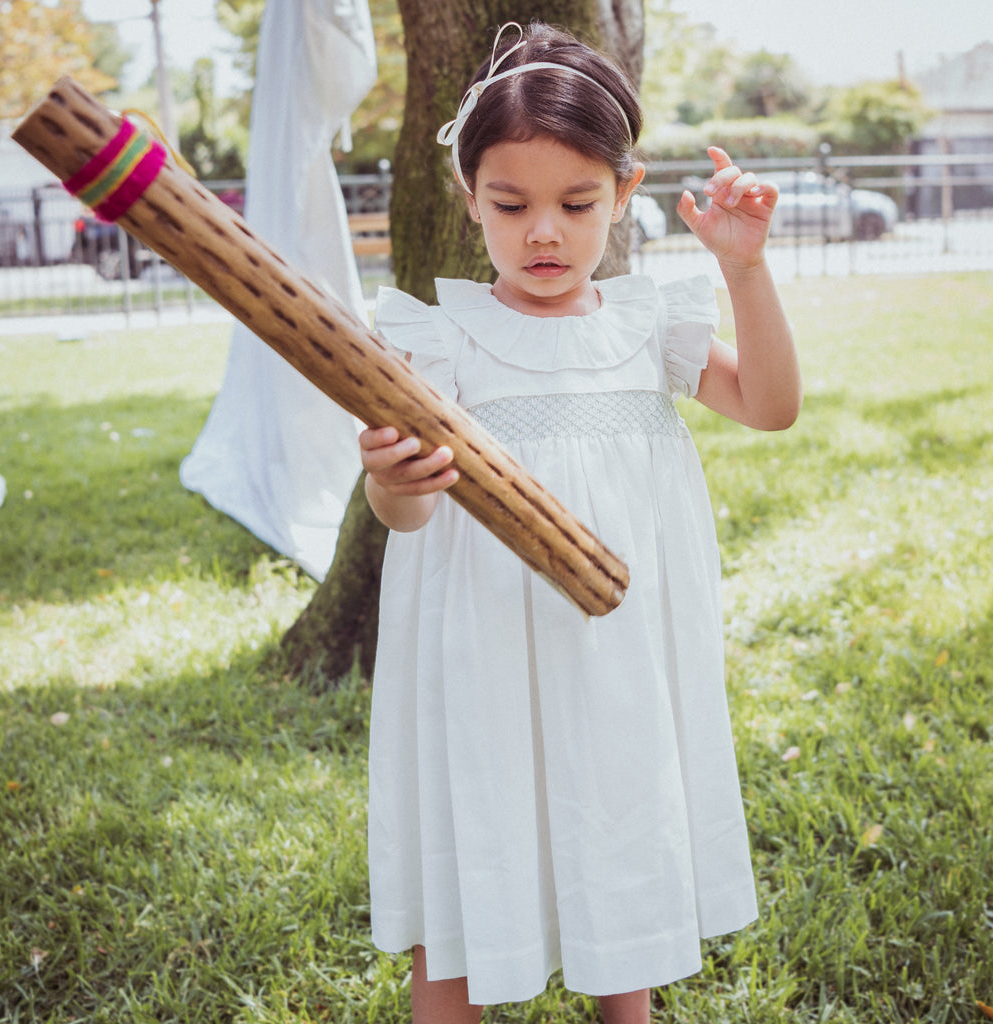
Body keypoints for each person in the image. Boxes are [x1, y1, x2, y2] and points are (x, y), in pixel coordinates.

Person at [359, 20, 801, 1024]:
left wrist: (744, 268)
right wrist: (392, 477)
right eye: (511, 205)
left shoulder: (647, 327)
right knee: (475, 856)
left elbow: (770, 406)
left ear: (625, 192)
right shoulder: (442, 339)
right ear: (468, 197)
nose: (543, 234)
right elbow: (406, 509)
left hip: (616, 653)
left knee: (619, 836)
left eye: (576, 203)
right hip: (478, 653)